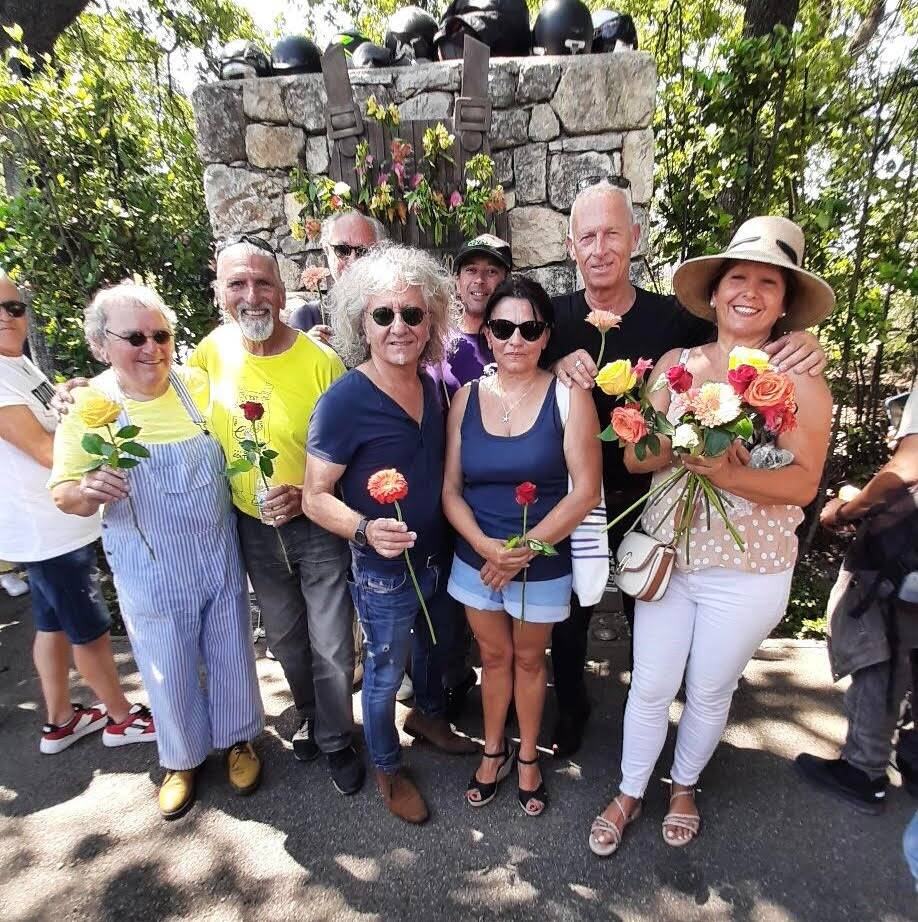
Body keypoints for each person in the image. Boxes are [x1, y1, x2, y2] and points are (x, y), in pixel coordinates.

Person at [544, 180, 828, 757]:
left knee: (641, 607)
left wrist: (803, 341)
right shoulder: (552, 317)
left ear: (636, 238)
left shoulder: (673, 322)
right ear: (572, 246)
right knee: (569, 611)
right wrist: (550, 357)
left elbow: (742, 335)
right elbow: (502, 344)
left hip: (650, 502)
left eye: (612, 234)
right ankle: (572, 708)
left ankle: (661, 726)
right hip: (573, 493)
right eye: (587, 236)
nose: (599, 248)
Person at [587, 216, 834, 854]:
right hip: (672, 559)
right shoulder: (678, 363)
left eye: (767, 283)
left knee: (710, 688)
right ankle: (630, 788)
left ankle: (684, 785)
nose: (748, 292)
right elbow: (636, 459)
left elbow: (803, 483)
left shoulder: (797, 375)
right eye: (737, 278)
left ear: (784, 301)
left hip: (750, 568)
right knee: (649, 684)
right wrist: (678, 444)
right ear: (717, 291)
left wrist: (726, 472)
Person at [50, 282, 263, 819]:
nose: (152, 348)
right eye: (135, 337)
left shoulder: (196, 384)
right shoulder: (90, 407)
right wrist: (86, 489)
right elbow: (64, 495)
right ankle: (182, 759)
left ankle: (238, 740)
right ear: (101, 345)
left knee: (230, 647)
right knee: (164, 660)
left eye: (161, 335)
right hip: (149, 567)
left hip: (215, 554)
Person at [304, 244, 477, 825]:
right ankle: (386, 768)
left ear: (431, 322)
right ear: (363, 323)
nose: (399, 326)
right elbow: (313, 495)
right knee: (382, 673)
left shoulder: (432, 384)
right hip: (383, 574)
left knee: (433, 651)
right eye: (384, 315)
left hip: (437, 557)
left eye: (412, 313)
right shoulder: (345, 399)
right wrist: (363, 530)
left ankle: (428, 718)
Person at [188, 236, 364, 796]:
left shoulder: (322, 363)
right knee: (286, 639)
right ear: (220, 292)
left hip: (315, 526)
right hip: (251, 527)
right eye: (237, 283)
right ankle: (313, 716)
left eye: (263, 282)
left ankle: (338, 738)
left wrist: (306, 489)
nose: (252, 295)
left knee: (333, 642)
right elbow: (154, 402)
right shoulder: (207, 356)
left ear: (283, 290)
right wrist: (86, 395)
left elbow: (352, 451)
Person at [442, 275, 601, 815]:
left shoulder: (570, 397)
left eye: (528, 328)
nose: (515, 339)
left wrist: (525, 549)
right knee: (493, 657)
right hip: (477, 559)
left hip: (539, 560)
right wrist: (488, 547)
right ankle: (493, 749)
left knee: (532, 662)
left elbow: (585, 491)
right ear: (487, 333)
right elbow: (450, 491)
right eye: (504, 327)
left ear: (544, 335)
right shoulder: (464, 399)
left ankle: (528, 755)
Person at [0, 272, 156, 756]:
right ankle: (121, 717)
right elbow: (50, 451)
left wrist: (73, 395)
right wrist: (94, 417)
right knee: (88, 627)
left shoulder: (16, 364)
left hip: (49, 528)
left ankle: (60, 720)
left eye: (14, 307)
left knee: (51, 623)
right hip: (47, 529)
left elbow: (52, 415)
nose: (8, 318)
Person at [796, 384, 918, 814]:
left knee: (879, 654)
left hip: (902, 558)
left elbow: (906, 468)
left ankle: (863, 771)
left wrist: (845, 510)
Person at [429, 234, 512, 719]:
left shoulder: (514, 336)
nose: (481, 280)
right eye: (472, 270)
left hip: (496, 495)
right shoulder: (437, 340)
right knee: (445, 599)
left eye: (492, 270)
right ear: (457, 279)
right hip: (441, 486)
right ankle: (450, 686)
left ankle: (503, 688)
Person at [287, 210, 387, 340]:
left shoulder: (395, 315)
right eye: (342, 250)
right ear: (327, 250)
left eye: (363, 252)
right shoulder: (307, 319)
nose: (353, 261)